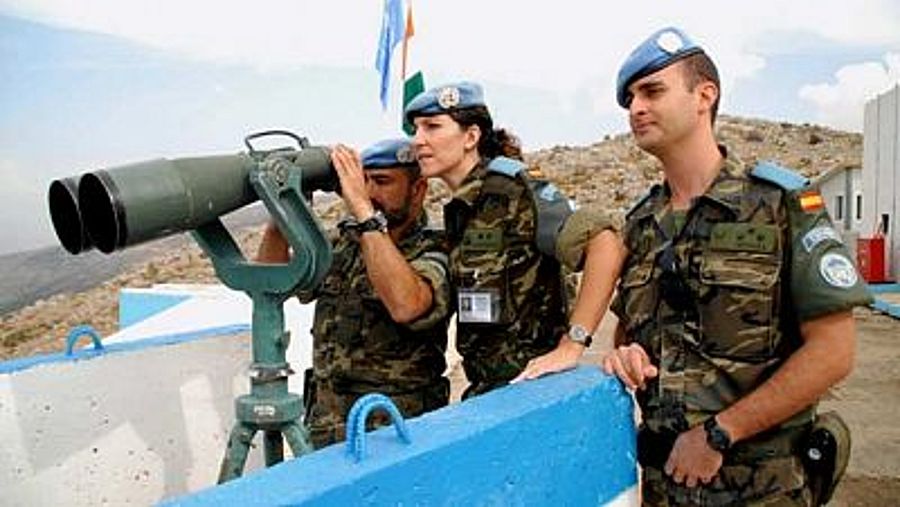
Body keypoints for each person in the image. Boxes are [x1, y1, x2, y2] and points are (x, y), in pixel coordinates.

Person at [604, 27, 873, 505]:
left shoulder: (778, 204)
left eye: (652, 91)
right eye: (629, 99)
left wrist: (720, 433)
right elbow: (631, 333)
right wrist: (626, 357)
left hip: (760, 487)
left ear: (704, 96)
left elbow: (834, 350)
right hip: (665, 483)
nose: (636, 108)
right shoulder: (642, 223)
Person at [404, 82, 623, 397]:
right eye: (416, 129)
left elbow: (604, 244)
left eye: (432, 127)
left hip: (536, 390)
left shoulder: (514, 191)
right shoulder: (462, 209)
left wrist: (573, 343)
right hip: (490, 392)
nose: (418, 140)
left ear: (471, 137)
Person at [257, 138, 451, 449]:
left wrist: (364, 211)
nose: (370, 192)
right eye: (364, 182)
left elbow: (407, 305)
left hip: (396, 427)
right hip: (326, 425)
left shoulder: (434, 248)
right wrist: (281, 216)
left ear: (418, 190)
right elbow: (272, 283)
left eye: (383, 182)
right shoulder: (345, 243)